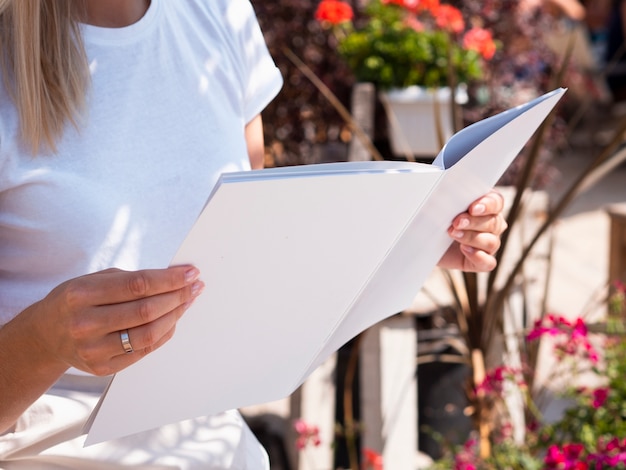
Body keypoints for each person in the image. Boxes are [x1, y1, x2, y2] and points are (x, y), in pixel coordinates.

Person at [0, 0, 507, 468]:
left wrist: (414, 236)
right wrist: (43, 342)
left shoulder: (214, 12)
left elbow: (250, 252)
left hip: (215, 446)